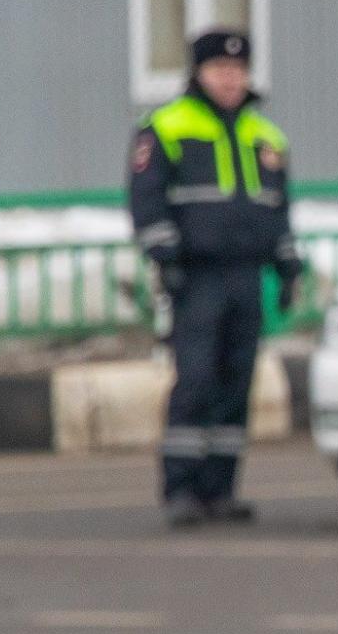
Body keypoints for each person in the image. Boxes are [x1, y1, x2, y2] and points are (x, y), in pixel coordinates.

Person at [129, 29, 302, 528]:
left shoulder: (266, 137)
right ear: (198, 73)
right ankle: (181, 488)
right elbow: (147, 199)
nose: (230, 79)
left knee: (235, 384)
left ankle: (221, 489)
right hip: (197, 277)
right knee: (197, 380)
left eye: (238, 70)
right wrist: (165, 256)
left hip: (247, 276)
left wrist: (288, 266)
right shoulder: (166, 126)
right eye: (219, 70)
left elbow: (279, 211)